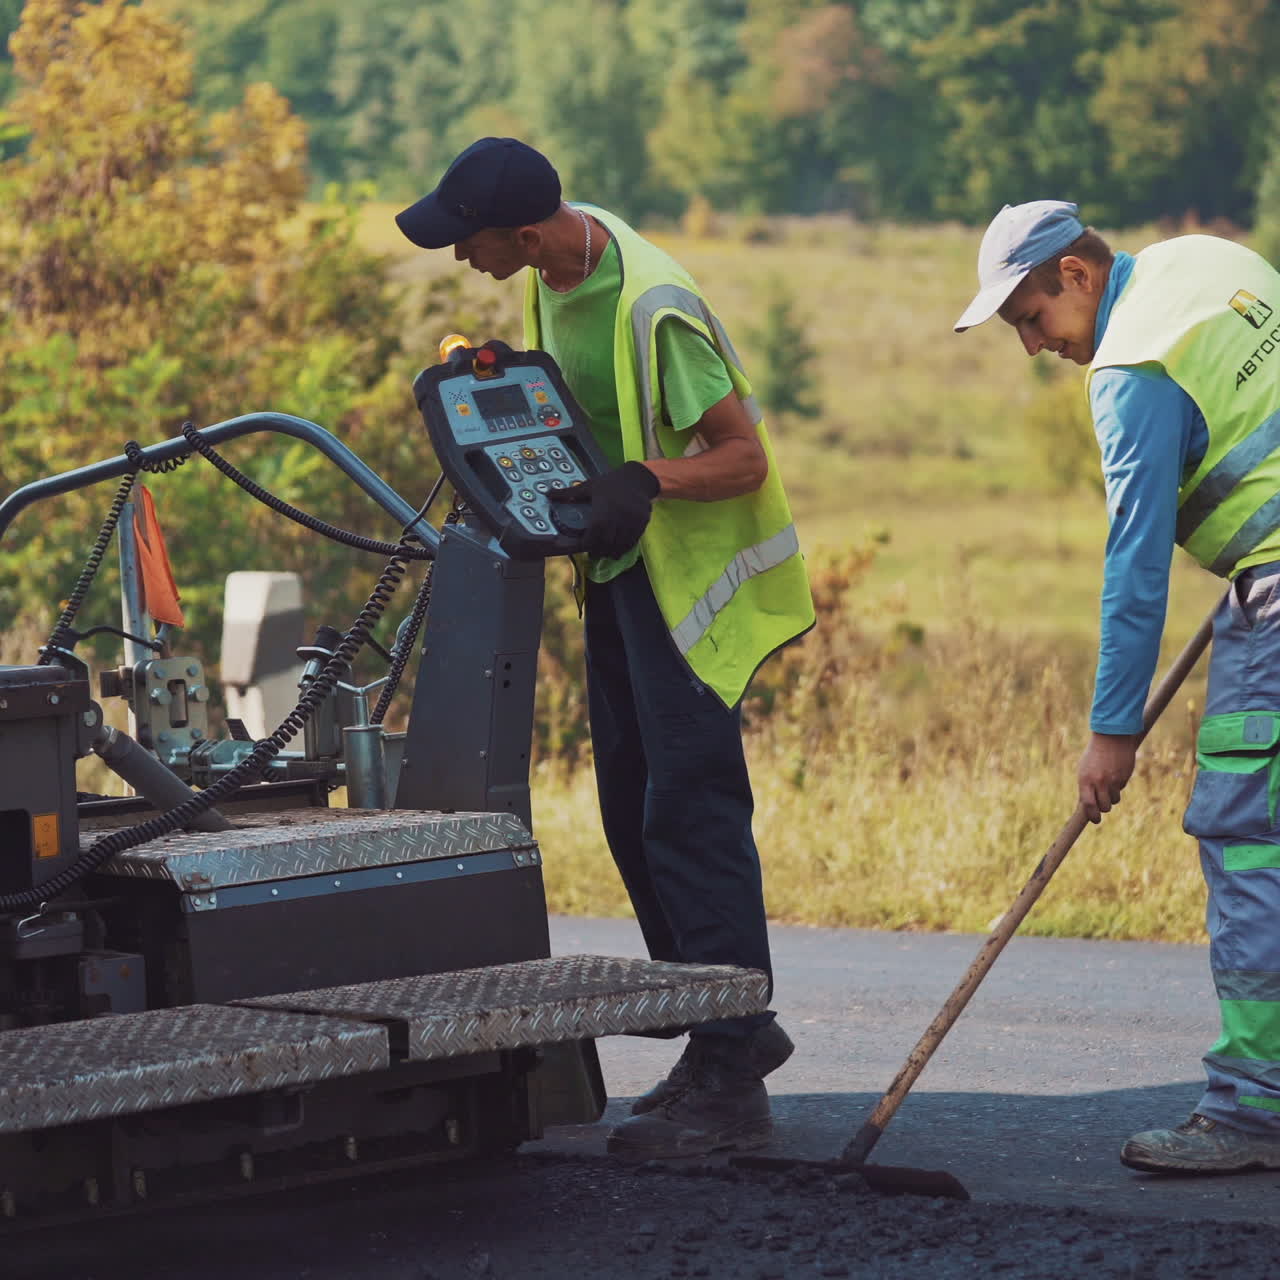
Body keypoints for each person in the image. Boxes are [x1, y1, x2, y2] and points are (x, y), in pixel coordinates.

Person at [395, 138, 815, 1158]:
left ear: (526, 233)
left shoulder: (650, 305)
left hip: (689, 592)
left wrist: (644, 481)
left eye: (471, 242)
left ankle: (728, 1076)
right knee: (630, 808)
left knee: (689, 809)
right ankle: (730, 1027)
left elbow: (742, 454)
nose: (462, 261)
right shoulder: (552, 279)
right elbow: (571, 416)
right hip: (621, 580)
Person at [956, 200, 1280, 1175]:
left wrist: (1111, 733)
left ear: (1076, 274)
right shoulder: (1208, 263)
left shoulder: (1131, 365)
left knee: (1246, 836)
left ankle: (1253, 1111)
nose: (1028, 346)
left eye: (1028, 316)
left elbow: (1131, 567)